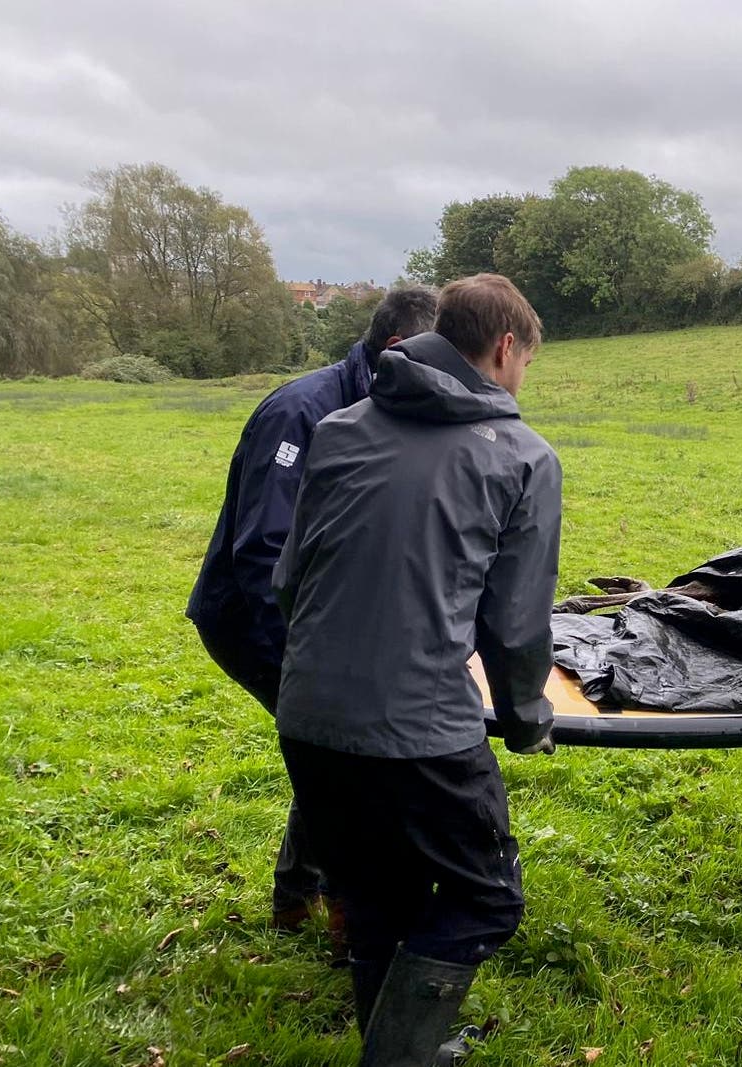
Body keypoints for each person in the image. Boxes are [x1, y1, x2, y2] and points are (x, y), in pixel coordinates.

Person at [272, 273, 561, 1063]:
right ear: (505, 349)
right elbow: (516, 624)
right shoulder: (525, 458)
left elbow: (291, 581)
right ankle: (397, 1054)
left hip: (307, 716)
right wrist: (529, 718)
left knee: (374, 902)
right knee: (486, 896)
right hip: (423, 730)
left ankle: (402, 1040)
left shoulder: (339, 427)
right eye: (527, 361)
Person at [186, 285, 439, 929]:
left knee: (331, 756)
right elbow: (262, 551)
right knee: (344, 755)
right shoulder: (301, 412)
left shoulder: (385, 403)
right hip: (254, 620)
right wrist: (307, 661)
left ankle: (297, 900)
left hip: (327, 621)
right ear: (397, 349)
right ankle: (344, 919)